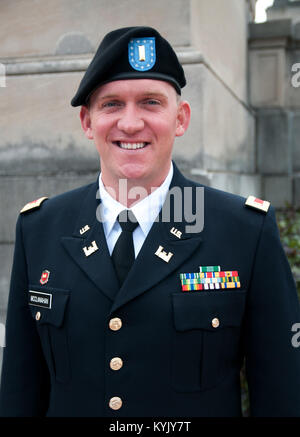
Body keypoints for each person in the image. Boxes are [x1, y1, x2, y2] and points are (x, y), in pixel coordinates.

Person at [0, 26, 300, 417]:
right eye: (111, 104)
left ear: (181, 118)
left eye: (150, 102)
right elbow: (20, 392)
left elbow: (281, 391)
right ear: (87, 122)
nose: (129, 123)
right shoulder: (41, 228)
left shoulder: (242, 230)